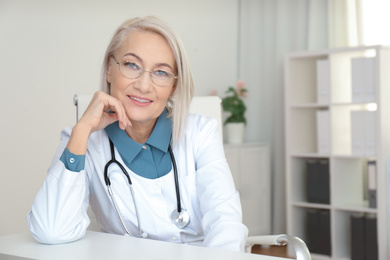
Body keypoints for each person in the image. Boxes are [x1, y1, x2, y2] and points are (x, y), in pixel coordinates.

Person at [27, 16, 248, 252]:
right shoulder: (84, 141)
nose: (144, 85)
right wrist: (82, 130)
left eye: (161, 72)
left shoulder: (200, 133)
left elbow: (226, 224)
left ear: (174, 86)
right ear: (110, 70)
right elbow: (50, 229)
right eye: (132, 65)